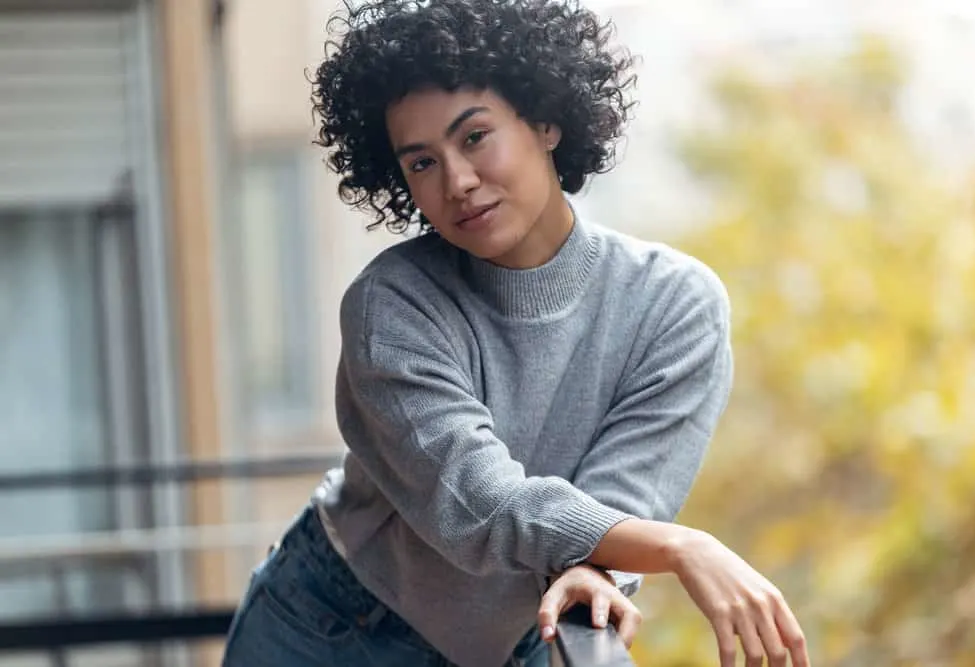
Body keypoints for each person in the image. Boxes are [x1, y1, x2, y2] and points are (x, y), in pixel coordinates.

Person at [221, 1, 811, 666]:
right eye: (422, 163)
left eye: (474, 137)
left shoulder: (674, 305)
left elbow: (620, 498)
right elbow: (479, 505)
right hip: (332, 629)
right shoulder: (390, 306)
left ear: (547, 118)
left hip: (526, 635)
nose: (458, 182)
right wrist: (683, 546)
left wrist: (597, 572)